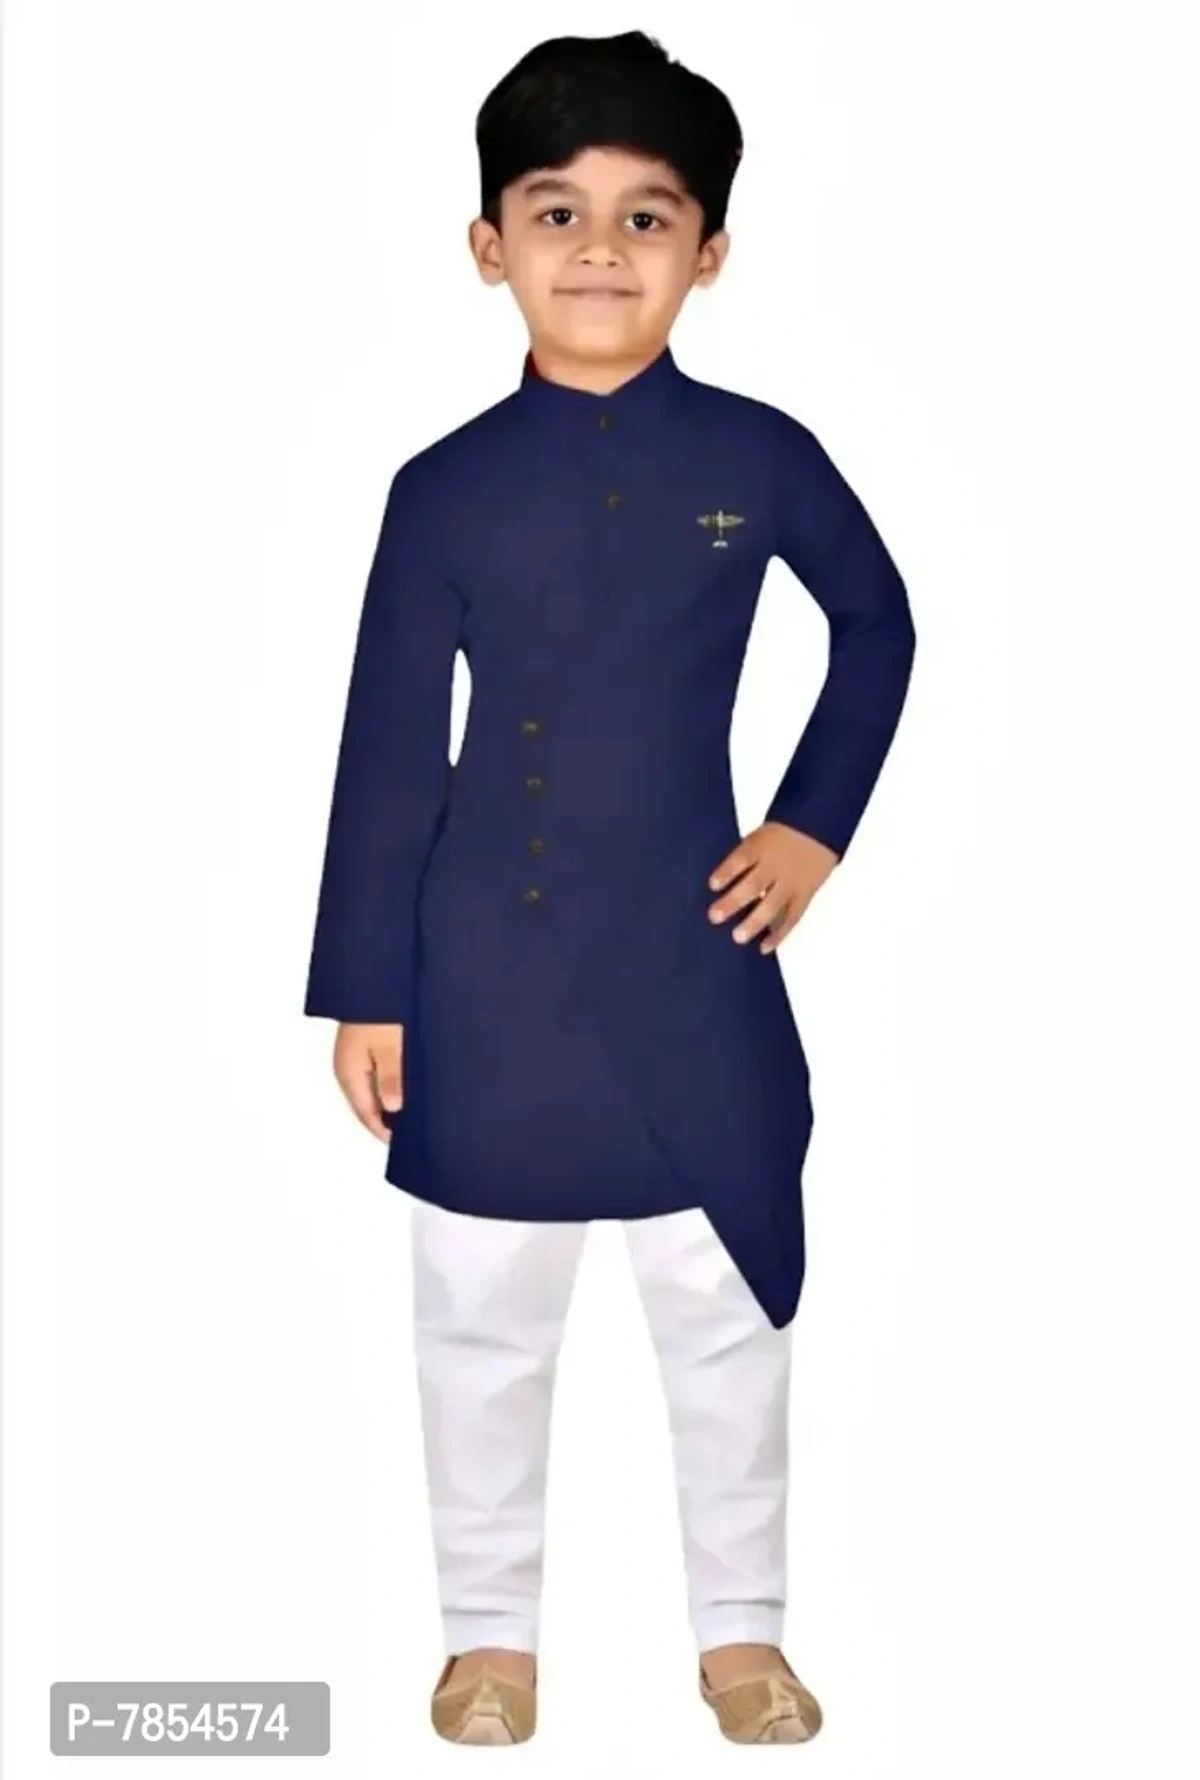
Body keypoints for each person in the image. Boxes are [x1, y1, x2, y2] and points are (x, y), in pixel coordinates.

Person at [303, 29, 915, 1746]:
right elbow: (386, 746)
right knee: (480, 1322)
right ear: (486, 243)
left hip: (696, 957)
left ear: (708, 251)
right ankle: (488, 1639)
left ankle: (742, 1633)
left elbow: (878, 625)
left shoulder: (763, 458)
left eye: (646, 217)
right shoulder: (440, 488)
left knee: (726, 1310)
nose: (596, 249)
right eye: (555, 211)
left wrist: (811, 830)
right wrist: (369, 988)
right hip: (482, 972)